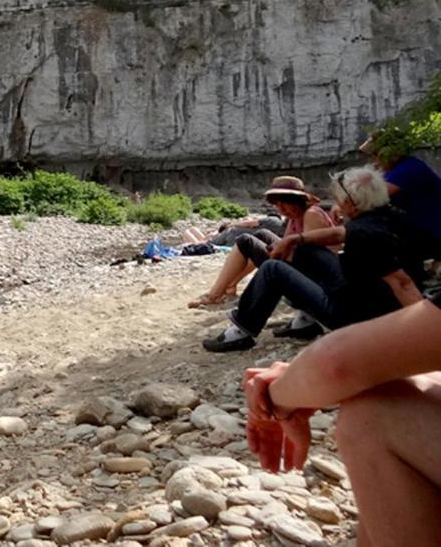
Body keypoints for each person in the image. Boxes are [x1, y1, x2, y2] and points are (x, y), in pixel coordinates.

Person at [243, 292, 441, 545]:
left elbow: (333, 366)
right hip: (368, 315)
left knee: (372, 413)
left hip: (352, 314)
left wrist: (269, 403)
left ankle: (237, 322)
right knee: (384, 389)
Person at [204, 167, 425, 352]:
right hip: (362, 295)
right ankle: (304, 322)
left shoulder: (364, 234)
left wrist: (424, 333)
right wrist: (295, 239)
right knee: (305, 250)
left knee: (272, 269)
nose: (336, 202)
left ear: (350, 202)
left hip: (355, 317)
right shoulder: (390, 217)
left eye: (339, 198)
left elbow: (402, 282)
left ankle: (241, 331)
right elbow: (341, 233)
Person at [187, 177, 326, 309]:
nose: (281, 209)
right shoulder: (293, 218)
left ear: (297, 200)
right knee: (261, 235)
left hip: (310, 277)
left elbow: (314, 258)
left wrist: (277, 251)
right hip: (299, 265)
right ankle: (230, 284)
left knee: (245, 241)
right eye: (277, 204)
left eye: (285, 203)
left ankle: (214, 295)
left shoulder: (311, 215)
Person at [365, 140, 441, 259]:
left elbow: (374, 197)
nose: (373, 160)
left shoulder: (407, 169)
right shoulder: (396, 169)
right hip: (418, 223)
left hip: (429, 228)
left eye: (375, 155)